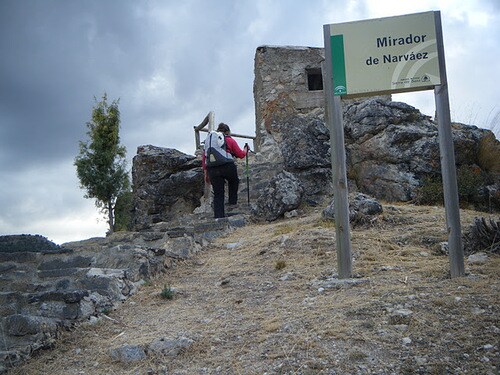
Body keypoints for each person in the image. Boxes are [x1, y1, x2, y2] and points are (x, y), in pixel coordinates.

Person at [202, 122, 248, 218]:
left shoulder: (209, 142)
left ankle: (219, 217)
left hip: (212, 169)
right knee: (234, 181)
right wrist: (245, 150)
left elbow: (204, 158)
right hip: (227, 166)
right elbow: (240, 154)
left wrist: (206, 173)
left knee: (218, 193)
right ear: (228, 131)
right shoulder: (229, 140)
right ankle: (232, 202)